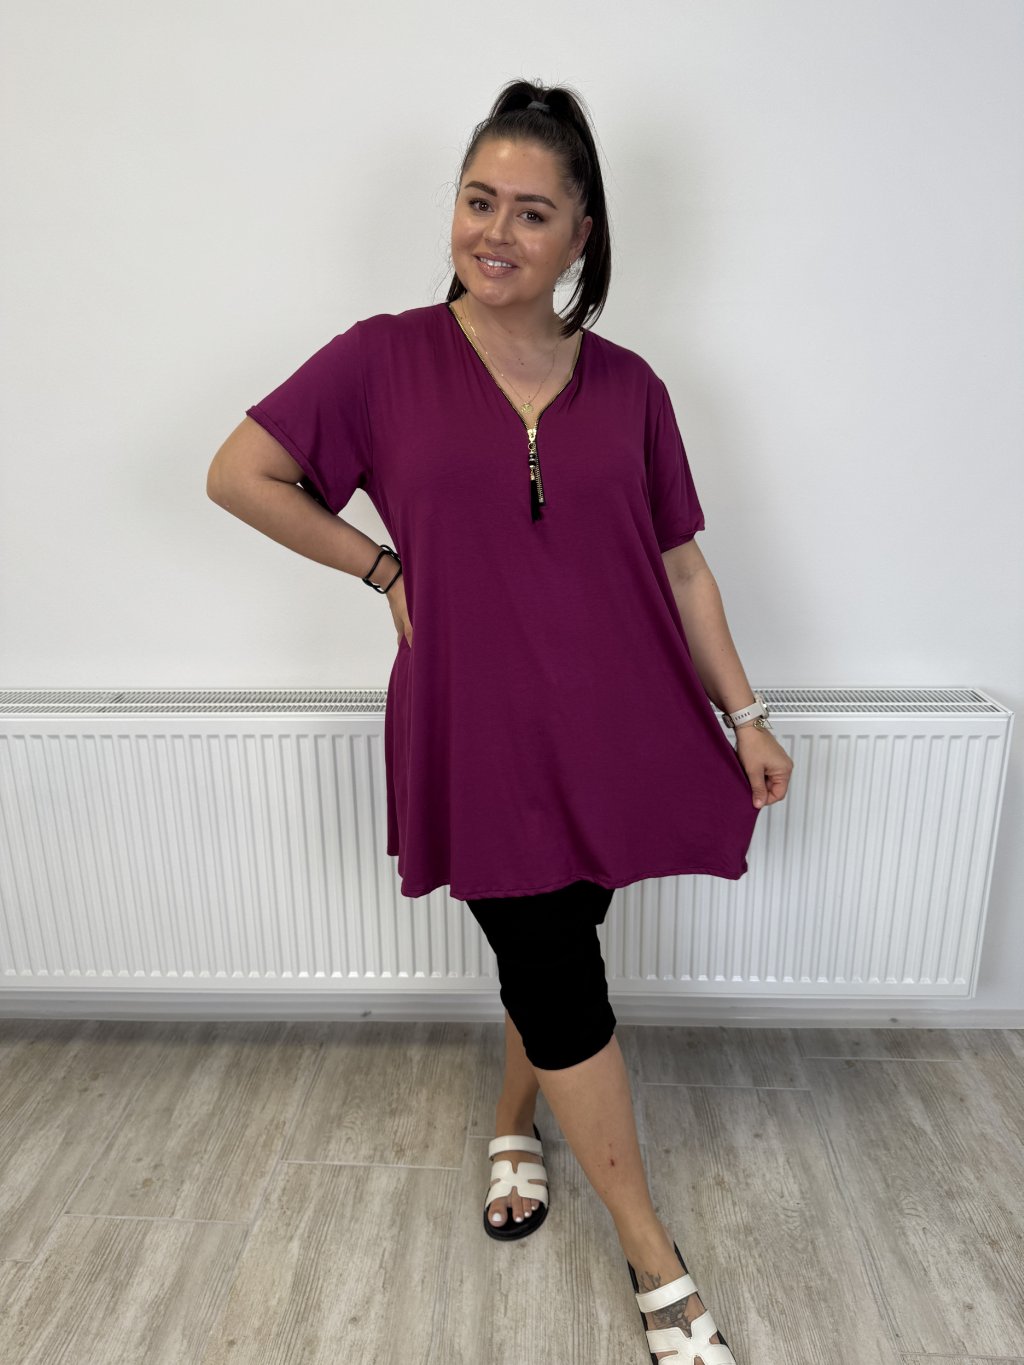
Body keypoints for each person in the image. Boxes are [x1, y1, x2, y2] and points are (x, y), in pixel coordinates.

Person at [207, 78, 793, 1365]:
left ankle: (511, 1124)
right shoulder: (381, 359)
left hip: (615, 726)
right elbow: (239, 473)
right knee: (557, 975)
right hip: (473, 730)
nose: (497, 231)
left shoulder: (631, 387)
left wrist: (744, 713)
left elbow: (681, 566)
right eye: (479, 201)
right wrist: (381, 567)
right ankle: (653, 1255)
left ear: (581, 233)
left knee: (559, 943)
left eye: (532, 211)